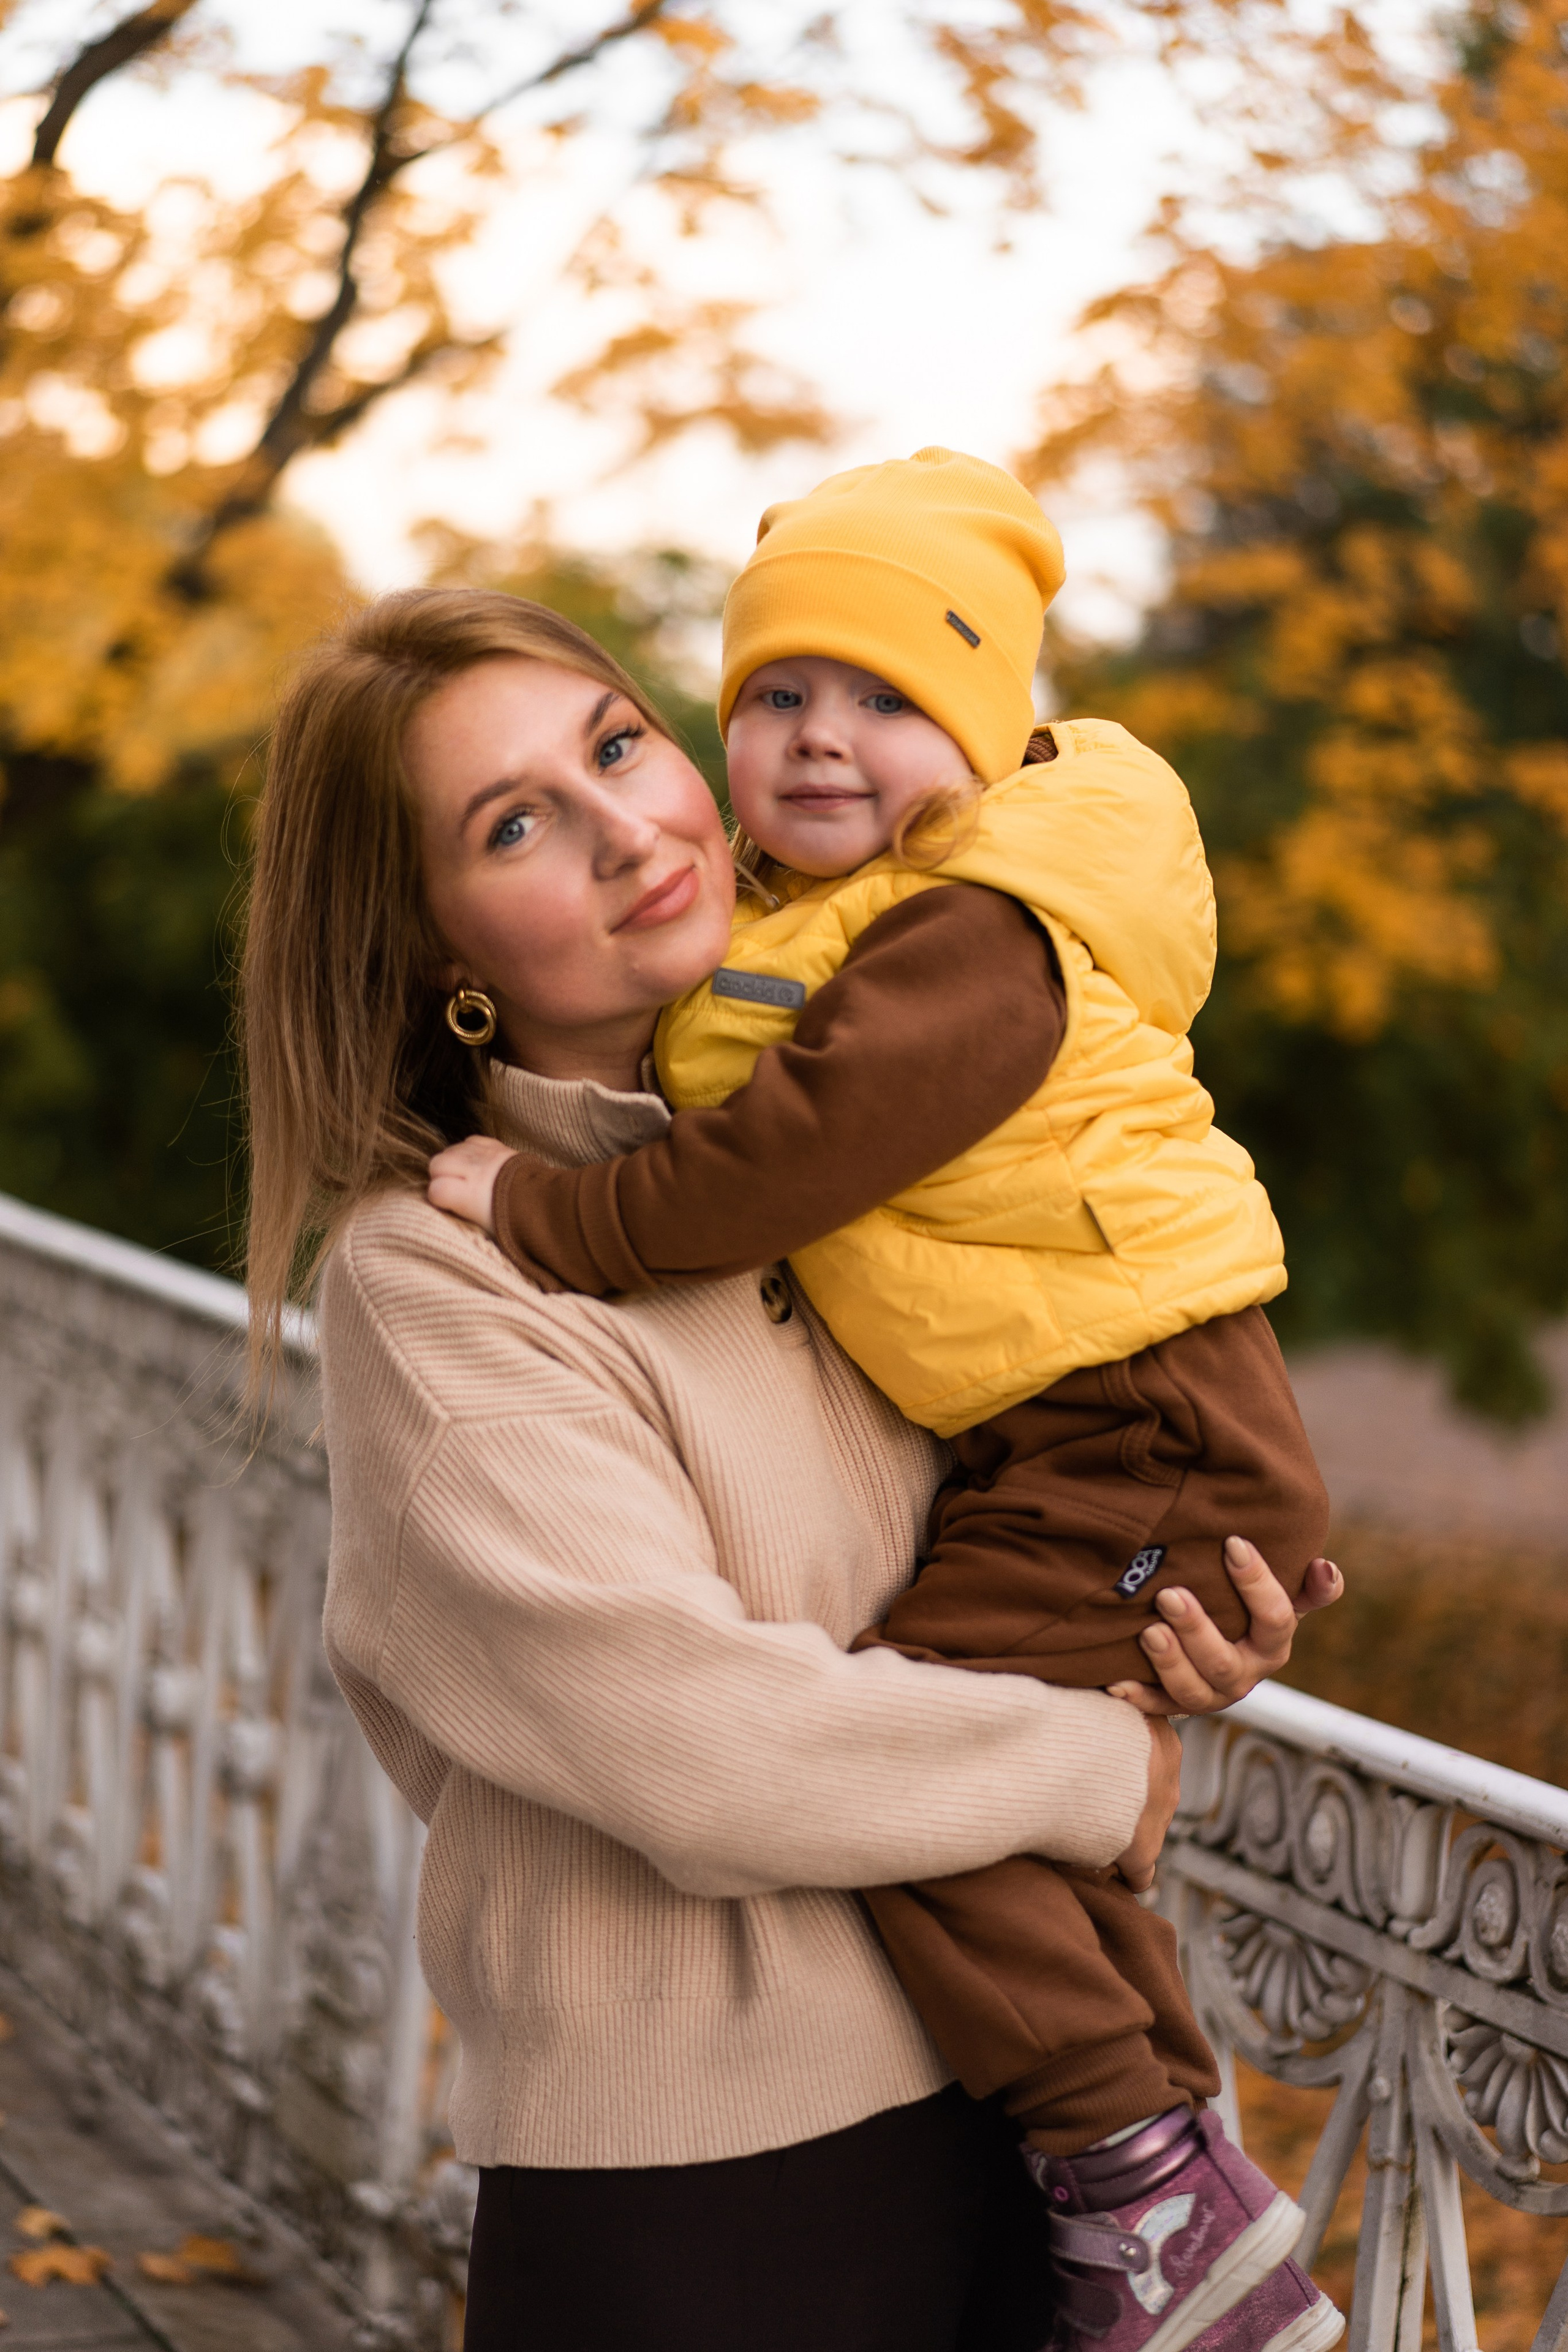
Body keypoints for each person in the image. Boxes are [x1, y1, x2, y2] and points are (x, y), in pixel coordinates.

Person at [241, 583, 1342, 2352]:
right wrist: (1095, 1759)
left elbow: (1030, 1501)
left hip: (1013, 2114)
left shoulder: (855, 1155)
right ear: (438, 947)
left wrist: (1169, 1598)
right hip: (716, 2192)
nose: (628, 832)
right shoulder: (438, 1272)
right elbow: (702, 1744)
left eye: (617, 747)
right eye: (516, 822)